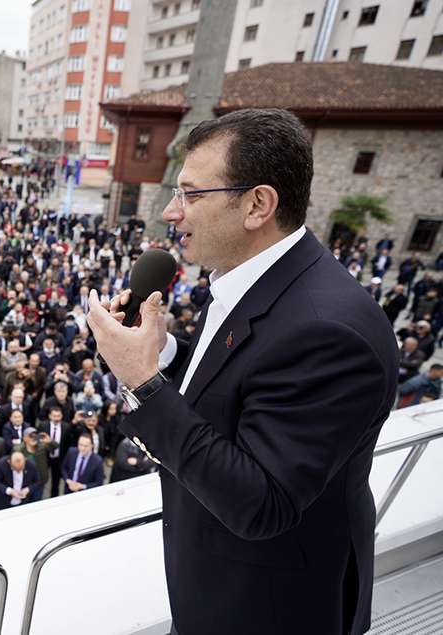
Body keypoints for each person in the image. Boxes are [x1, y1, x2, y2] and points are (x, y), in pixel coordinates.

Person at [85, 108, 398, 635]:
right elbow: (235, 387)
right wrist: (160, 355)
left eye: (190, 194)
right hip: (216, 576)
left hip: (270, 606)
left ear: (257, 204)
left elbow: (263, 503)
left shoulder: (330, 334)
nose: (170, 211)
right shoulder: (252, 277)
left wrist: (144, 382)